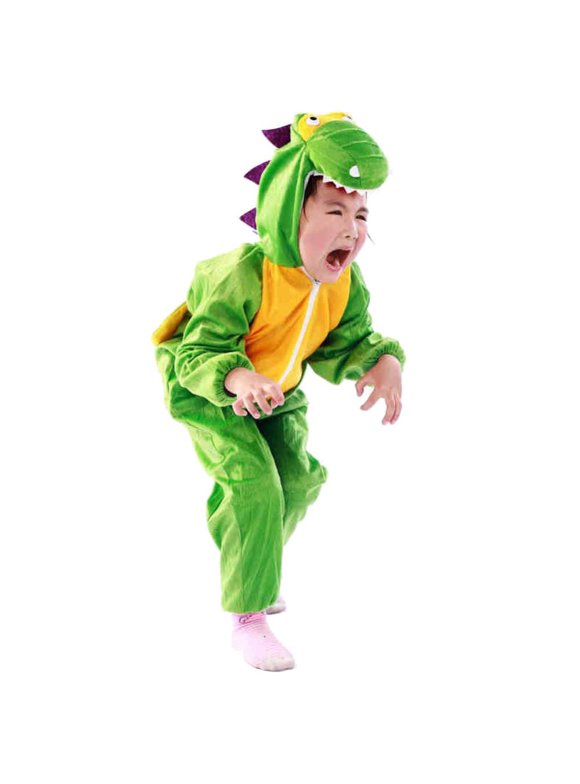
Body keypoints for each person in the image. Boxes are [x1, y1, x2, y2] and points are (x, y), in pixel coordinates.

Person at [152, 111, 406, 672]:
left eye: (361, 215)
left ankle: (252, 556)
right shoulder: (243, 275)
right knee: (254, 488)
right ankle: (247, 617)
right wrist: (237, 377)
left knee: (297, 480)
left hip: (279, 393)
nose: (352, 229)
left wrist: (382, 360)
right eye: (334, 211)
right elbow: (197, 350)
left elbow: (348, 341)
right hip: (212, 394)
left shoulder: (343, 285)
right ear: (291, 213)